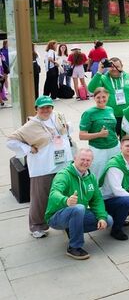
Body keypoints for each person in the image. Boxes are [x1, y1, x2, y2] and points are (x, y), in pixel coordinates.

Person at [6, 95, 74, 238]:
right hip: (43, 167)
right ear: (36, 109)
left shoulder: (58, 116)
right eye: (42, 108)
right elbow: (10, 141)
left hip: (63, 163)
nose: (46, 110)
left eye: (48, 107)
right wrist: (28, 148)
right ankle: (37, 226)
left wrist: (67, 127)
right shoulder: (31, 125)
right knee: (40, 198)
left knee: (64, 195)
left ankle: (64, 221)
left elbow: (67, 130)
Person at [45, 148, 111, 260]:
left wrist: (101, 217)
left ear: (92, 161)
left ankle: (72, 229)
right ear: (75, 158)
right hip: (56, 217)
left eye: (88, 160)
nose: (85, 162)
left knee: (108, 220)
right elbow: (54, 193)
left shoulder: (91, 177)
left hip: (77, 213)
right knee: (78, 208)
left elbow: (97, 199)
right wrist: (66, 200)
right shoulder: (64, 175)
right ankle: (74, 247)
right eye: (82, 159)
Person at [89, 58, 129, 136]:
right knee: (112, 140)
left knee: (128, 141)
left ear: (122, 66)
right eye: (111, 66)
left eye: (117, 66)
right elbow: (91, 89)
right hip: (110, 116)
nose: (114, 69)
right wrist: (99, 72)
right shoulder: (103, 78)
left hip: (128, 116)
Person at [79, 88, 120, 179]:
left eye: (104, 97)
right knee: (97, 175)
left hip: (114, 147)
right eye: (98, 97)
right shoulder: (88, 113)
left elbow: (112, 128)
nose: (101, 100)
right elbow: (81, 136)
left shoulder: (110, 109)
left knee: (114, 174)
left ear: (108, 96)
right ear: (94, 98)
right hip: (98, 149)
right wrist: (99, 134)